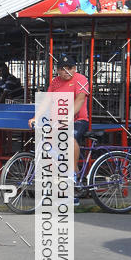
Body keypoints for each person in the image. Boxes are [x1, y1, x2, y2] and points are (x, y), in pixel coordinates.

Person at [28, 53, 90, 202]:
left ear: (75, 68)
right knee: (48, 145)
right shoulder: (55, 82)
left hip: (77, 120)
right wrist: (36, 117)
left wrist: (68, 117)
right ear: (57, 70)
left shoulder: (81, 79)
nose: (65, 71)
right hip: (57, 121)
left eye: (69, 68)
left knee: (69, 138)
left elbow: (80, 99)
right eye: (62, 69)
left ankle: (73, 174)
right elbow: (47, 101)